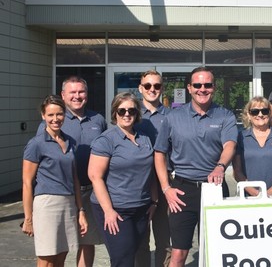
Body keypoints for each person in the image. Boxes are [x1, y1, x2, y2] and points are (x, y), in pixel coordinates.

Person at [154, 67, 238, 267]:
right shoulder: (173, 117)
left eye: (207, 85)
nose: (203, 89)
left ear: (214, 88)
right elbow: (159, 153)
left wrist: (220, 167)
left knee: (216, 251)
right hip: (183, 190)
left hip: (215, 188)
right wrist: (166, 188)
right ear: (189, 88)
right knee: (179, 253)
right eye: (198, 85)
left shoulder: (225, 116)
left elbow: (230, 145)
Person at [36, 76, 107, 267]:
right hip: (63, 194)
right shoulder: (54, 120)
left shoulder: (98, 120)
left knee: (87, 242)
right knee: (58, 246)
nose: (77, 96)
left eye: (81, 92)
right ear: (63, 95)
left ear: (87, 94)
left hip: (91, 191)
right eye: (72, 92)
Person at [88, 92, 157, 267]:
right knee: (123, 259)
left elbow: (152, 171)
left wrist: (154, 201)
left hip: (141, 207)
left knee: (134, 252)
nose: (127, 114)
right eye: (122, 111)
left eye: (131, 111)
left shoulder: (146, 139)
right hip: (116, 210)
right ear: (114, 113)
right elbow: (95, 177)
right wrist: (108, 211)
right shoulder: (106, 140)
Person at [23, 95, 88, 267]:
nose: (55, 119)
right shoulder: (36, 144)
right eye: (50, 115)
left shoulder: (69, 141)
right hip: (47, 204)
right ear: (43, 116)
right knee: (47, 257)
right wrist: (28, 218)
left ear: (64, 115)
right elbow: (27, 183)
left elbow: (75, 179)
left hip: (68, 204)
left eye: (59, 114)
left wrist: (80, 210)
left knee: (62, 254)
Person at [134, 70, 171, 267]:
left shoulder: (172, 116)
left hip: (165, 181)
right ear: (140, 88)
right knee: (140, 237)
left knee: (164, 236)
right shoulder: (131, 114)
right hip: (140, 181)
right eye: (147, 86)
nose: (152, 89)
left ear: (162, 88)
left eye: (156, 86)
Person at [233, 96, 272, 196]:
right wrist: (255, 193)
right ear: (248, 115)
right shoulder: (240, 138)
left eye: (264, 111)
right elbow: (237, 172)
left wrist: (270, 192)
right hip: (248, 198)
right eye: (255, 112)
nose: (260, 115)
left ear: (269, 113)